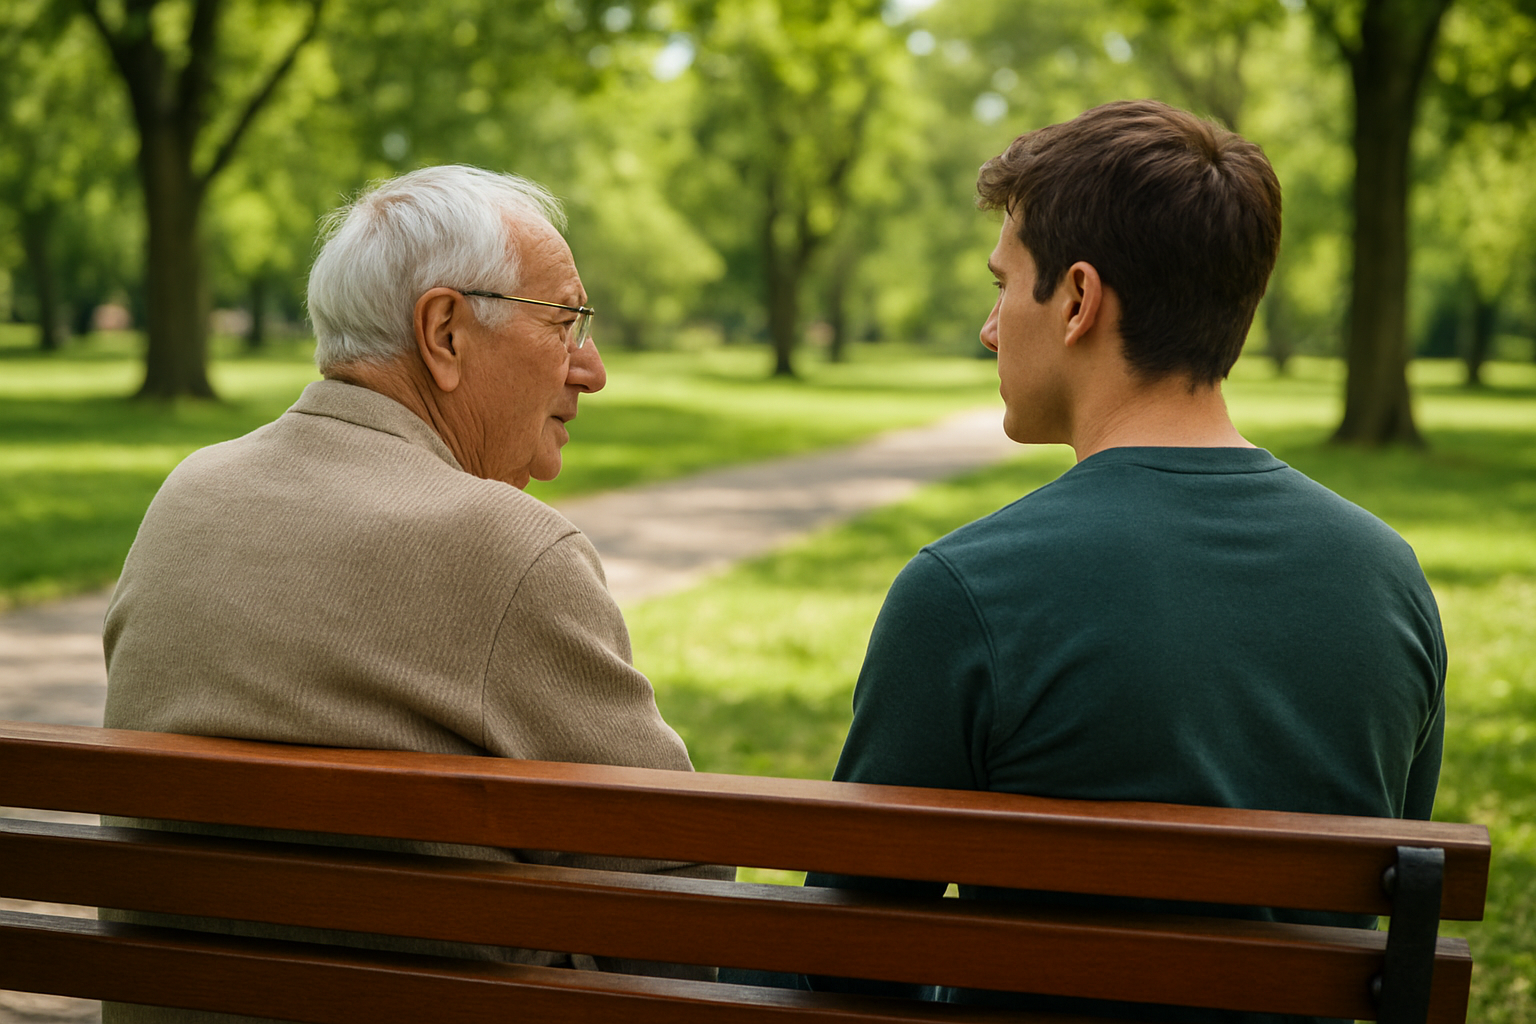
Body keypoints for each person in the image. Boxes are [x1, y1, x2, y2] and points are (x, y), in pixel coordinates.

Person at [804, 101, 1446, 1020]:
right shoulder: (1392, 582)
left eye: (1003, 284)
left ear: (1076, 300)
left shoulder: (967, 591)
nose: (990, 328)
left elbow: (847, 955)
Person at [101, 165, 730, 1021]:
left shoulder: (187, 496)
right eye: (567, 322)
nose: (593, 369)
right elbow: (678, 879)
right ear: (443, 331)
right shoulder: (510, 549)